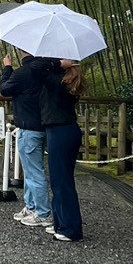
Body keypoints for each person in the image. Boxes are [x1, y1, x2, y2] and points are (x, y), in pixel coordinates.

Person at [1, 52, 57, 229]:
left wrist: (7, 67)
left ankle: (43, 213)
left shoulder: (23, 73)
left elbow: (5, 89)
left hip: (28, 127)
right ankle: (31, 206)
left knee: (34, 173)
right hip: (45, 125)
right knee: (32, 171)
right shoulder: (47, 70)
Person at [41, 59, 87, 243]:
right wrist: (61, 65)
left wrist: (58, 64)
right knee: (60, 180)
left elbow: (39, 68)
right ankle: (61, 223)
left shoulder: (57, 80)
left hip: (60, 132)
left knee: (62, 182)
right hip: (65, 130)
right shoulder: (66, 80)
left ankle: (71, 229)